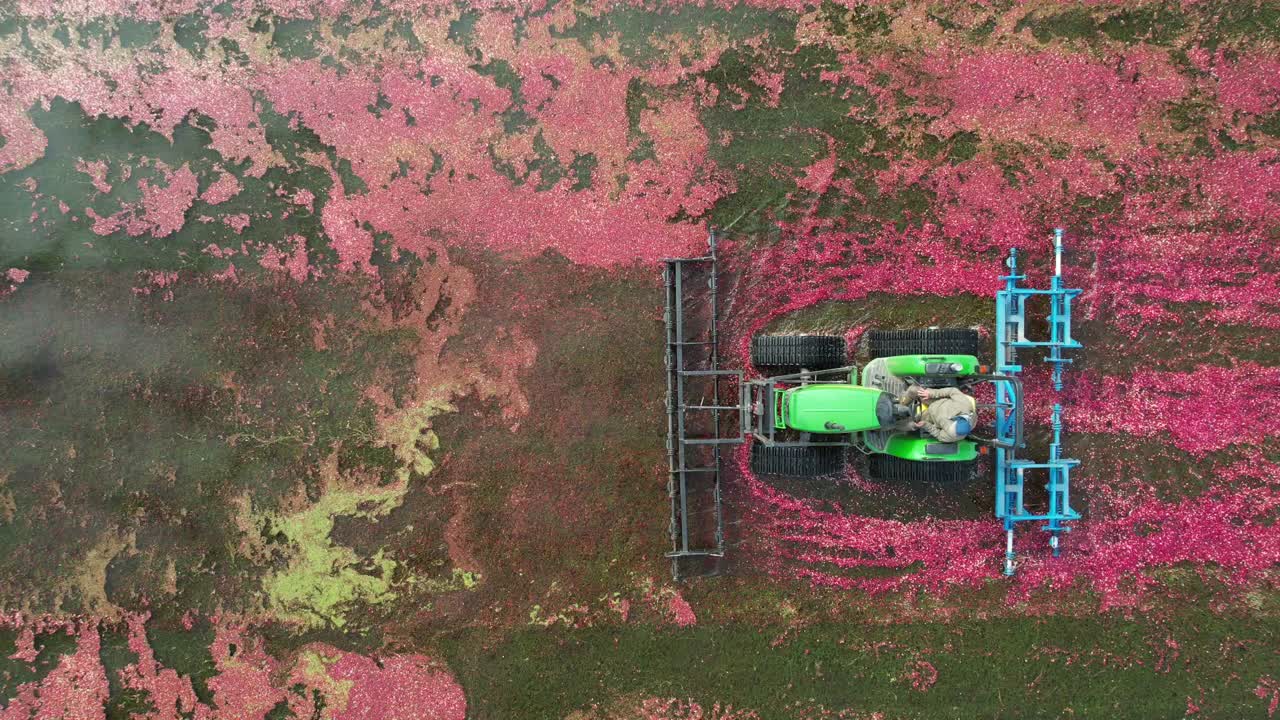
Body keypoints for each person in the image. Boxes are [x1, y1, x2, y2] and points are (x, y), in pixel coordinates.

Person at [897, 385, 977, 443]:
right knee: (913, 389)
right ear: (959, 418)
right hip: (936, 401)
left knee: (910, 424)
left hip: (931, 418)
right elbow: (952, 391)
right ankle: (901, 403)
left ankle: (893, 424)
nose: (949, 424)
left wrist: (925, 425)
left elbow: (938, 435)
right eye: (952, 424)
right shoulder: (965, 404)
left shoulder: (954, 436)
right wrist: (931, 393)